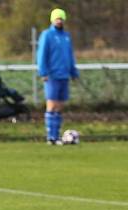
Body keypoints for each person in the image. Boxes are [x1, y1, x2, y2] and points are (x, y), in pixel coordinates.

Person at [36, 8, 79, 145]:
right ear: (52, 20)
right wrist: (43, 72)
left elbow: (70, 55)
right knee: (52, 104)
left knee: (60, 106)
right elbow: (42, 54)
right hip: (52, 75)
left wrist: (73, 72)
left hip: (64, 75)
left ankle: (57, 135)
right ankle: (51, 136)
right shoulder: (47, 35)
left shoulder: (66, 36)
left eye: (61, 18)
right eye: (57, 18)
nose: (59, 21)